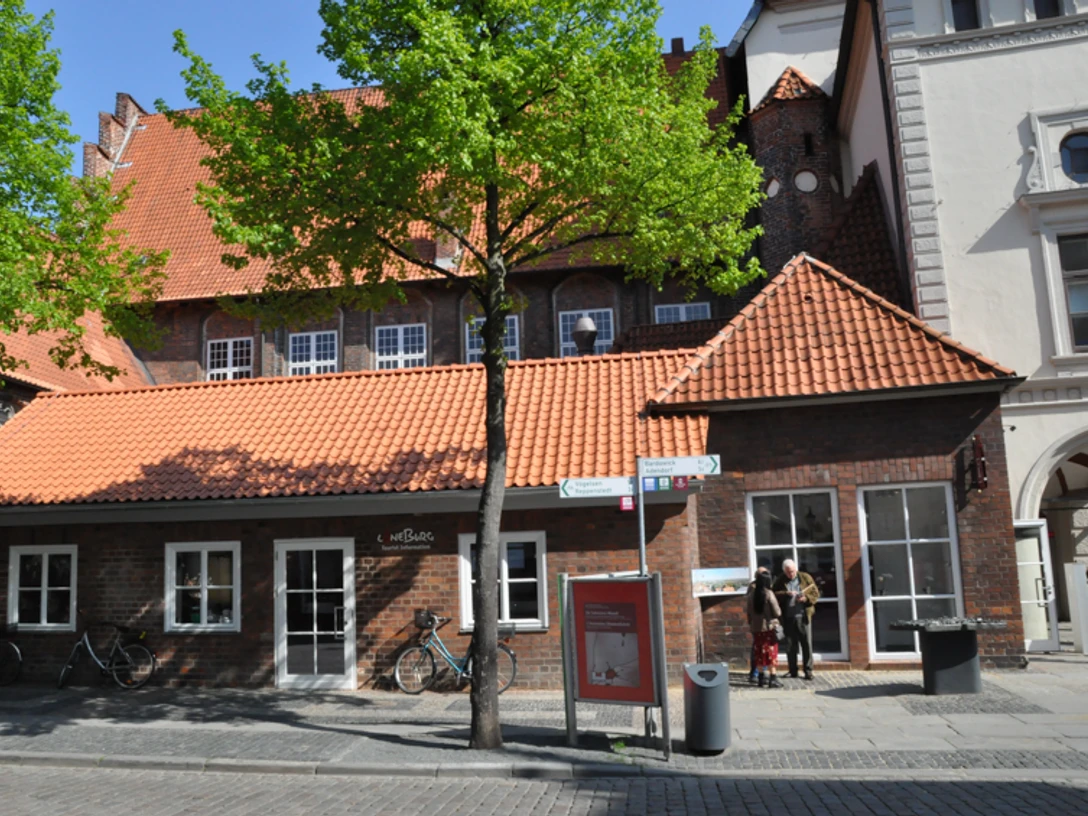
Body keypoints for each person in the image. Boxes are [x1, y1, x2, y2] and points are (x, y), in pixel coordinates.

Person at [772, 559, 820, 680]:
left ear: (796, 569)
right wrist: (785, 593)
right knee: (790, 645)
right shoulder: (780, 580)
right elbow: (773, 594)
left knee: (806, 645)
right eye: (788, 573)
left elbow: (815, 593)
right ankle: (793, 670)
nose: (791, 574)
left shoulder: (805, 577)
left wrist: (806, 598)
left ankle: (808, 671)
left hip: (803, 616)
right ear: (784, 571)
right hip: (788, 617)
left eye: (792, 572)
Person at [746, 570, 782, 688]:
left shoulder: (751, 595)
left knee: (759, 653)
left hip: (756, 629)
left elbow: (748, 612)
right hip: (768, 628)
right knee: (771, 653)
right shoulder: (769, 593)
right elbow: (777, 612)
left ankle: (761, 678)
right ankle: (773, 679)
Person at [745, 566, 770, 683]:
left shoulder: (765, 587)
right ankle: (756, 672)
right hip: (760, 623)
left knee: (762, 648)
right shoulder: (754, 588)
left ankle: (761, 671)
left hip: (760, 623)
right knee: (758, 648)